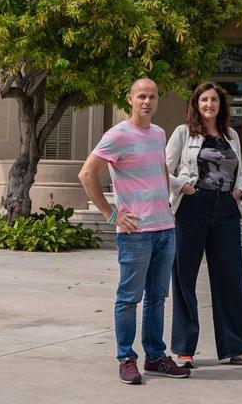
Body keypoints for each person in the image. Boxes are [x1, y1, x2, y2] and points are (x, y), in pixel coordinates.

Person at [78, 78, 191, 385]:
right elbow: (87, 173)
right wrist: (111, 213)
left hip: (165, 229)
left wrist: (169, 204)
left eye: (152, 96)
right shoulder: (117, 135)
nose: (147, 101)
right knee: (129, 298)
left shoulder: (158, 133)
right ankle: (126, 358)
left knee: (157, 298)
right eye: (141, 96)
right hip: (135, 233)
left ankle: (155, 357)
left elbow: (161, 171)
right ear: (130, 99)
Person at [165, 81, 242, 368]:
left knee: (230, 279)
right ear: (196, 104)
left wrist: (241, 191)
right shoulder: (183, 133)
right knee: (184, 278)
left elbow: (240, 171)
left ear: (221, 105)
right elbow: (162, 168)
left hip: (226, 210)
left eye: (214, 100)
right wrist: (182, 186)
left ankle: (240, 347)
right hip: (193, 207)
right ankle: (184, 349)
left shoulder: (231, 134)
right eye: (204, 100)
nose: (209, 105)